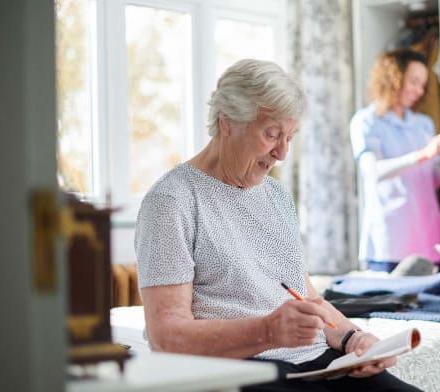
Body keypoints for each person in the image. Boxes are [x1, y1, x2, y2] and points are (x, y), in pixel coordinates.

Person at [134, 59, 422, 392]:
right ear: (226, 122)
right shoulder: (171, 201)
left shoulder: (276, 195)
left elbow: (307, 296)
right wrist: (268, 331)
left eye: (289, 136)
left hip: (317, 362)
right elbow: (166, 337)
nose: (282, 153)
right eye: (271, 134)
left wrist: (352, 339)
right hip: (241, 366)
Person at [350, 49, 440, 273]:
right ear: (393, 78)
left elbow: (430, 179)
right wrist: (425, 154)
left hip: (428, 236)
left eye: (422, 84)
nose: (418, 90)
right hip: (389, 239)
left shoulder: (424, 124)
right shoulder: (366, 121)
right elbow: (373, 172)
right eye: (414, 81)